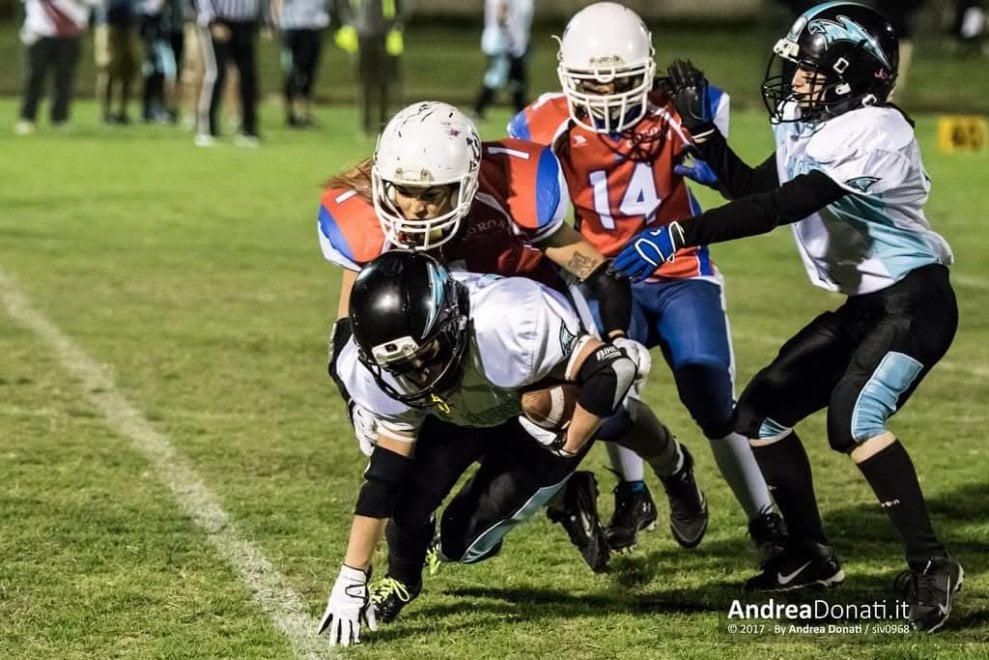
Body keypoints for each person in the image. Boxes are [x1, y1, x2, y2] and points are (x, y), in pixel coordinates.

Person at [612, 2, 962, 633]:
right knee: (759, 414)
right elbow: (756, 190)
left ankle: (932, 564)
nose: (796, 79)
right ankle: (810, 553)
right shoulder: (821, 125)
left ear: (851, 77)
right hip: (869, 304)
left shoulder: (877, 129)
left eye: (810, 70)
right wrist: (705, 137)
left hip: (915, 301)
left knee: (854, 420)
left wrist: (679, 234)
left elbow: (784, 207)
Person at [318, 101, 701, 620]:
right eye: (404, 191)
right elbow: (350, 333)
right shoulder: (362, 218)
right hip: (444, 358)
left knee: (599, 411)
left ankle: (673, 468)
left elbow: (599, 273)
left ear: (468, 181)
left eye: (431, 194)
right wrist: (361, 404)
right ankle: (404, 578)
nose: (415, 209)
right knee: (408, 484)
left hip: (525, 340)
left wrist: (615, 339)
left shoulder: (512, 192)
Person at [508, 1, 783, 554]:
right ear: (568, 75)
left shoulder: (682, 108)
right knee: (604, 396)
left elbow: (739, 185)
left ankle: (766, 519)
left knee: (712, 400)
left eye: (621, 81)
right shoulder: (543, 122)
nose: (607, 94)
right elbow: (536, 219)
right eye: (593, 82)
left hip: (682, 273)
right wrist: (572, 272)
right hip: (604, 276)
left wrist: (707, 142)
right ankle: (638, 490)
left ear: (647, 70)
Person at [317, 250, 639, 647]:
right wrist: (351, 575)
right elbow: (384, 477)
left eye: (425, 355)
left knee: (462, 546)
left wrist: (567, 448)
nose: (420, 375)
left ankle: (595, 483)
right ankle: (402, 580)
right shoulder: (377, 368)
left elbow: (613, 369)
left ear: (451, 320)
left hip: (531, 416)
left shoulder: (510, 319)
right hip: (459, 412)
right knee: (406, 502)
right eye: (402, 367)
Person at [16, 0, 98, 135]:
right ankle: (27, 118)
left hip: (70, 34)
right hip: (39, 32)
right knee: (34, 77)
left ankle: (60, 118)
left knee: (64, 78)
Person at [195, 0, 267, 146]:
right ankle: (207, 129)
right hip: (220, 21)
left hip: (246, 22)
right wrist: (212, 21)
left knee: (248, 76)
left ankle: (249, 129)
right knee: (217, 73)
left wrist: (264, 21)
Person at [335, 0, 408, 134]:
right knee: (366, 82)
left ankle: (382, 121)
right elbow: (344, 7)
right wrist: (352, 24)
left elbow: (400, 10)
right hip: (363, 37)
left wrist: (395, 26)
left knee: (384, 82)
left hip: (384, 37)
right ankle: (367, 122)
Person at [472, 0, 534, 121]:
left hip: (514, 43)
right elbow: (502, 14)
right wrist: (511, 39)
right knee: (497, 78)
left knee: (517, 79)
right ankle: (477, 110)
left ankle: (520, 113)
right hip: (503, 44)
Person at [273, 0, 330, 127]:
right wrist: (276, 22)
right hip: (293, 28)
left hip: (314, 27)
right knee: (293, 72)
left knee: (309, 71)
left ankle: (304, 112)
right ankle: (291, 112)